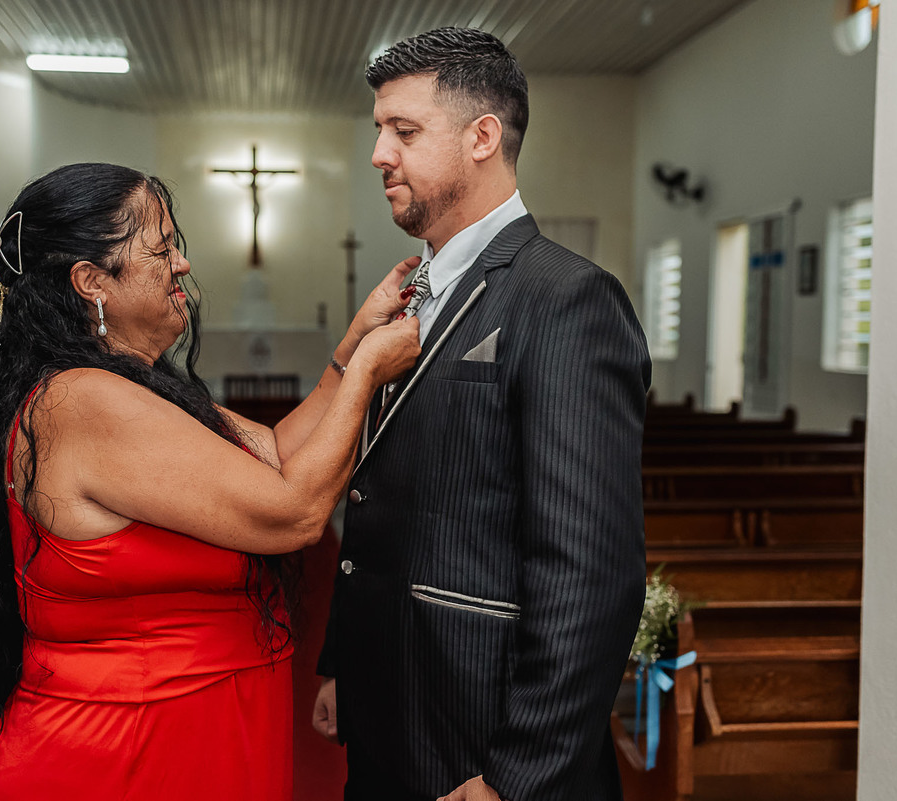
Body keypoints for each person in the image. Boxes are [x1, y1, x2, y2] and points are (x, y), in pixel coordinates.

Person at [0, 162, 421, 799]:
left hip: (182, 738)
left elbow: (280, 454)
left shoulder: (130, 388)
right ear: (93, 281)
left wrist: (352, 343)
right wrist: (368, 373)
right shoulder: (82, 400)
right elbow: (295, 513)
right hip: (122, 756)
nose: (181, 263)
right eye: (162, 247)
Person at [312, 28, 652, 801]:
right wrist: (341, 658)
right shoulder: (408, 293)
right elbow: (377, 496)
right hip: (388, 706)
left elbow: (590, 571)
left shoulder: (566, 300)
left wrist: (517, 773)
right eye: (378, 131)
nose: (378, 155)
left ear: (482, 137)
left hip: (479, 739)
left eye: (403, 130)